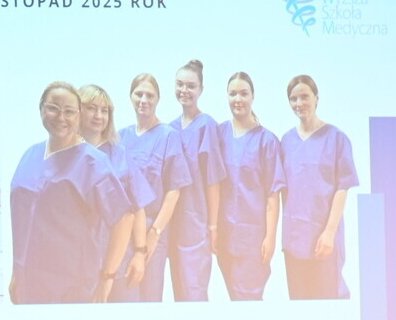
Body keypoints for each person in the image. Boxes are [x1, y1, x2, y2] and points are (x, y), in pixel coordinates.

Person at [7, 81, 135, 304]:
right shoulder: (30, 154)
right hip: (28, 281)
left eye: (69, 111)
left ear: (78, 116)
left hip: (73, 286)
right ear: (41, 109)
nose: (61, 117)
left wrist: (107, 277)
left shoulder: (93, 163)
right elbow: (22, 222)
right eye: (53, 108)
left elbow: (123, 219)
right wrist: (16, 272)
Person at [278, 74, 359, 300]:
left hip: (324, 237)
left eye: (304, 97)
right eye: (293, 99)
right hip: (294, 240)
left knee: (327, 302)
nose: (299, 103)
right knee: (299, 306)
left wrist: (329, 232)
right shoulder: (286, 141)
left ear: (316, 98)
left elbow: (343, 188)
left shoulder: (336, 138)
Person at [117, 72, 189, 303]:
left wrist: (155, 234)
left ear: (158, 99)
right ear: (130, 97)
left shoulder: (168, 136)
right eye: (138, 94)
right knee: (123, 295)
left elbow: (174, 191)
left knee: (149, 298)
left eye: (150, 95)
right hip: (123, 231)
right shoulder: (120, 137)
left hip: (151, 230)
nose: (143, 100)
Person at [216, 71, 285, 301]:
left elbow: (273, 195)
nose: (238, 99)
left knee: (249, 302)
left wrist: (270, 238)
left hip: (253, 239)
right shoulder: (220, 133)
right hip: (225, 237)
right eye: (233, 94)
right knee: (232, 299)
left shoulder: (267, 141)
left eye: (243, 93)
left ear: (252, 96)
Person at [77, 83, 148, 302]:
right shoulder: (67, 156)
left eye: (104, 110)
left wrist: (139, 253)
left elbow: (138, 208)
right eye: (91, 108)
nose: (99, 116)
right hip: (79, 262)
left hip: (121, 261)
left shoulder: (119, 154)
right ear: (78, 111)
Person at [166, 59, 225, 301]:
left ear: (201, 89)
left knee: (195, 292)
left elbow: (213, 181)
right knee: (179, 292)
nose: (184, 90)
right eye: (180, 84)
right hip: (172, 224)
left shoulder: (207, 126)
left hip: (196, 223)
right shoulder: (169, 129)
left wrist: (213, 226)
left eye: (191, 86)